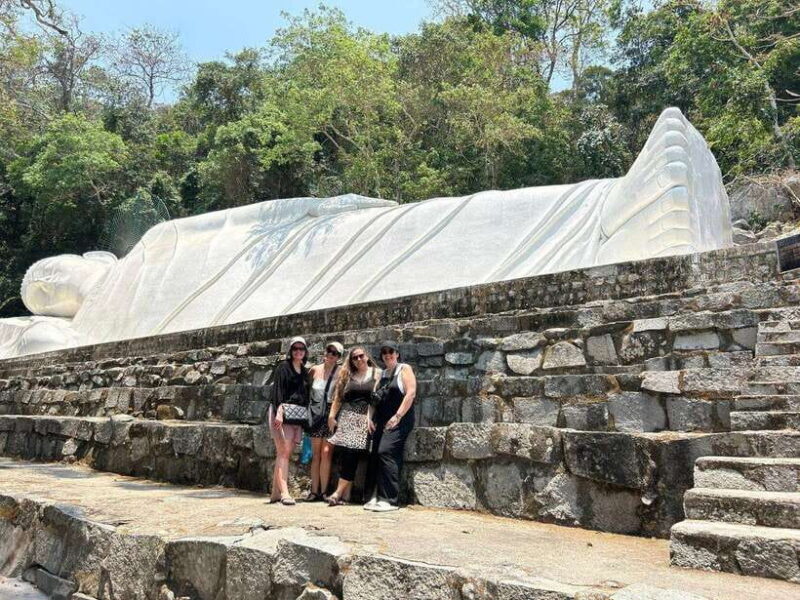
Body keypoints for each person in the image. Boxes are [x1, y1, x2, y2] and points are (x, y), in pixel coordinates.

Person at [363, 341, 417, 512]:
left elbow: (411, 393)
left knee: (385, 451)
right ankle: (373, 496)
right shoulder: (382, 374)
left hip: (399, 419)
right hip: (381, 419)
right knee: (373, 455)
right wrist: (369, 417)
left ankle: (390, 500)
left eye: (391, 351)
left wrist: (398, 416)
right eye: (384, 352)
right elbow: (374, 399)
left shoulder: (404, 369)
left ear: (397, 353)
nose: (387, 355)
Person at [326, 346, 380, 506]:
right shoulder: (348, 375)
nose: (358, 360)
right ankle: (346, 494)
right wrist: (331, 416)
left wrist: (370, 417)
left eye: (360, 356)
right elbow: (338, 398)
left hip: (364, 418)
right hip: (347, 418)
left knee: (352, 453)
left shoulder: (377, 373)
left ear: (367, 356)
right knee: (348, 454)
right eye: (354, 358)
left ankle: (337, 493)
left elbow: (375, 398)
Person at [269, 336, 309, 505]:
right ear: (291, 351)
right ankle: (285, 492)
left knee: (286, 453)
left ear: (305, 351)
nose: (298, 351)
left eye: (301, 349)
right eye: (295, 349)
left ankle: (275, 494)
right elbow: (277, 390)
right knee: (283, 453)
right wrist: (279, 411)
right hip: (282, 413)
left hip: (296, 416)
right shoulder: (283, 368)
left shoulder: (305, 371)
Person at [304, 340, 344, 501]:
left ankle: (324, 491)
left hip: (330, 414)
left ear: (338, 357)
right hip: (315, 413)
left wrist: (332, 416)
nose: (330, 355)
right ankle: (314, 490)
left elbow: (339, 396)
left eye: (334, 353)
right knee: (316, 454)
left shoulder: (341, 372)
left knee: (327, 453)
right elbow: (305, 390)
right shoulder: (314, 370)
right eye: (329, 351)